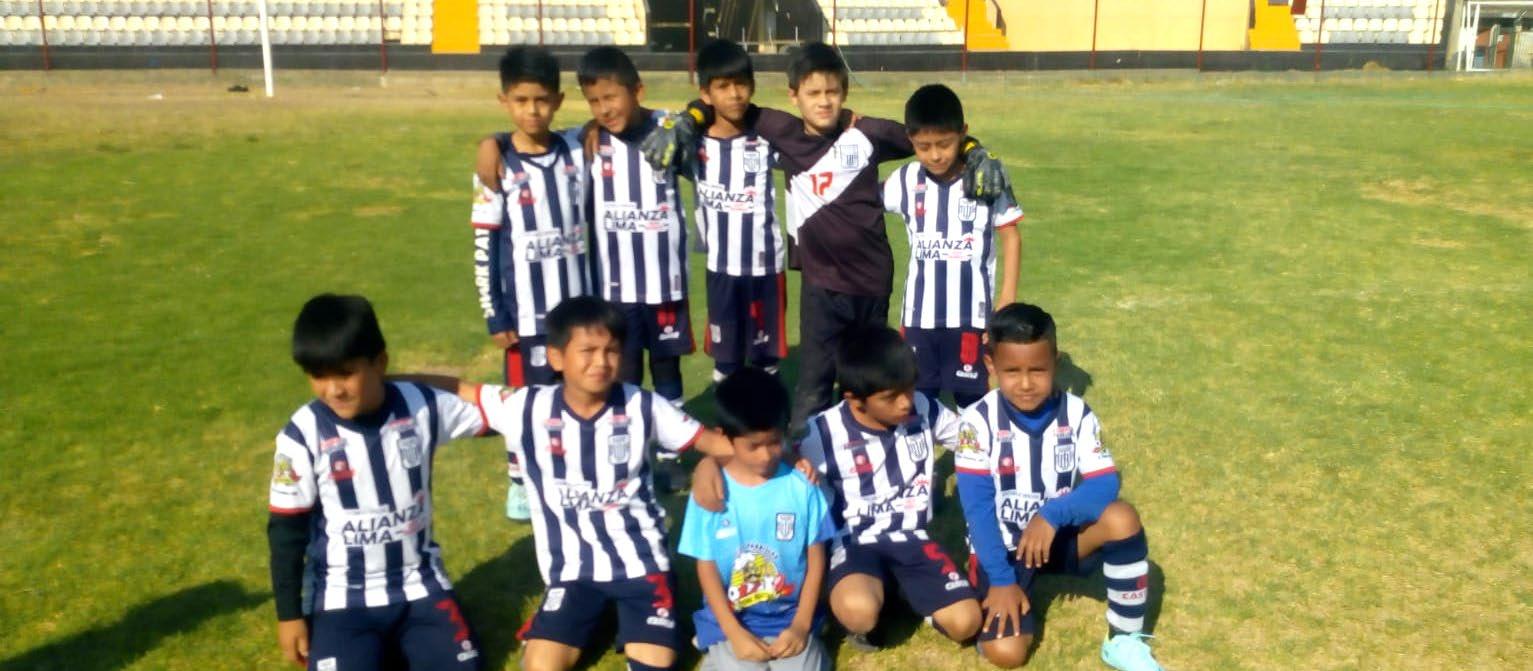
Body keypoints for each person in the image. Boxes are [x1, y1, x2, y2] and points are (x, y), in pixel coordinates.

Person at [642, 42, 1014, 432]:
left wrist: (974, 151)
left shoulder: (868, 132)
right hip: (821, 287)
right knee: (815, 384)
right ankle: (808, 455)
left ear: (844, 92)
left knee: (868, 380)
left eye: (832, 92)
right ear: (794, 95)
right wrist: (687, 120)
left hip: (872, 284)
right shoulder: (781, 130)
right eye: (814, 93)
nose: (823, 102)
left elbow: (931, 134)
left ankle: (874, 451)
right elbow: (730, 103)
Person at [400, 295, 737, 671]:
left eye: (611, 350)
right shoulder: (526, 407)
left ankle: (627, 618)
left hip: (641, 565)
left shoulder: (643, 405)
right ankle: (593, 617)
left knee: (656, 665)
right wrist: (385, 383)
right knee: (539, 666)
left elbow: (719, 446)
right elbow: (462, 389)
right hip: (573, 573)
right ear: (556, 357)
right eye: (588, 351)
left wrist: (708, 464)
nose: (601, 362)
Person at [267, 294, 486, 670]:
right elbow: (286, 532)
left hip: (419, 583)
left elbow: (503, 413)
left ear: (380, 362)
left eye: (345, 373)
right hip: (342, 597)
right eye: (319, 376)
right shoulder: (301, 434)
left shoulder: (421, 405)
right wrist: (289, 616)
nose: (333, 390)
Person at [954, 303, 1162, 671]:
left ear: (1056, 362)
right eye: (1012, 371)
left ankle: (1124, 640)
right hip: (1003, 550)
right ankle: (997, 594)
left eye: (1038, 370)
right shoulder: (976, 422)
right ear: (991, 365)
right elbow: (978, 509)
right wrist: (1001, 581)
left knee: (1122, 518)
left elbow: (1104, 482)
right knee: (1007, 654)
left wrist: (1051, 515)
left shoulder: (1077, 413)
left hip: (1054, 537)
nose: (1025, 383)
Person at [795, 326, 984, 650]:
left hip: (912, 539)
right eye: (890, 397)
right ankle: (871, 598)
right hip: (854, 542)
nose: (904, 402)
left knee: (967, 623)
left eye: (909, 389)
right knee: (859, 612)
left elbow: (972, 440)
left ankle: (902, 592)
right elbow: (777, 469)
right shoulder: (821, 433)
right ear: (854, 400)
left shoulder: (924, 409)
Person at [472, 45, 592, 523]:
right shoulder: (497, 166)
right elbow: (484, 245)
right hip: (525, 314)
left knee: (577, 392)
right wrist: (494, 313)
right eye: (521, 101)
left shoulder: (575, 150)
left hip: (577, 309)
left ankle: (572, 466)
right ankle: (520, 480)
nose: (532, 111)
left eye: (542, 100)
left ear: (558, 101)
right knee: (524, 399)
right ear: (504, 101)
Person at [678, 367, 834, 670]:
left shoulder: (803, 487)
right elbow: (706, 567)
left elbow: (816, 559)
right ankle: (719, 650)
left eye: (774, 442)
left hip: (790, 616)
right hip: (731, 619)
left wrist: (801, 625)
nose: (765, 455)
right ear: (724, 437)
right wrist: (734, 633)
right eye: (753, 446)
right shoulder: (711, 493)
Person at [884, 83, 1023, 409]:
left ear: (963, 133)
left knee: (972, 398)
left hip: (971, 315)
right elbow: (862, 203)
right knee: (917, 398)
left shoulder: (986, 178)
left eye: (945, 144)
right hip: (918, 316)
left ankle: (974, 444)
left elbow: (1011, 235)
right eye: (923, 146)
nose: (935, 155)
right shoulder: (904, 180)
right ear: (910, 141)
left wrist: (1007, 297)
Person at [578, 46, 694, 408]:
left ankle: (671, 438)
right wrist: (493, 143)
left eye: (611, 97)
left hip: (665, 283)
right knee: (623, 371)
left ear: (637, 91)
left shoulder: (667, 127)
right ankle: (628, 433)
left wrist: (692, 119)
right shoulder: (588, 141)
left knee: (667, 369)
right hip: (615, 290)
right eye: (594, 102)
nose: (604, 109)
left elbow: (701, 114)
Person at [689, 39, 788, 384]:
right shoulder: (692, 142)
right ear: (706, 93)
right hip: (721, 268)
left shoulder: (766, 139)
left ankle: (769, 414)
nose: (734, 94)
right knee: (726, 360)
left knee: (765, 359)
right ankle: (728, 416)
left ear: (752, 86)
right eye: (723, 86)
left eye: (741, 84)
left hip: (765, 267)